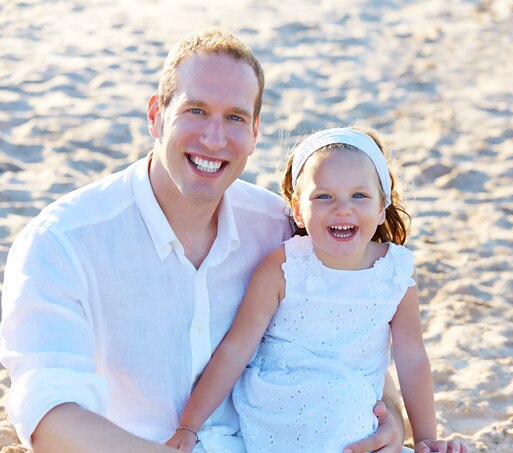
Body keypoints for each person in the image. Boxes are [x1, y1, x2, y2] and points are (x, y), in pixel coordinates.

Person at [0, 29, 410, 453]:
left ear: (254, 133)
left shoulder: (282, 228)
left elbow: (349, 329)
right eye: (196, 111)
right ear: (156, 115)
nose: (214, 139)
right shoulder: (62, 242)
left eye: (234, 117)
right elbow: (49, 415)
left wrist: (392, 419)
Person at [165, 127, 469, 453]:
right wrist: (190, 424)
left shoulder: (395, 272)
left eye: (359, 196)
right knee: (347, 411)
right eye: (323, 196)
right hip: (282, 399)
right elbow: (236, 349)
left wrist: (425, 439)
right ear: (298, 209)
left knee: (354, 416)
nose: (342, 209)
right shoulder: (285, 266)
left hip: (354, 404)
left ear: (382, 207)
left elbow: (412, 358)